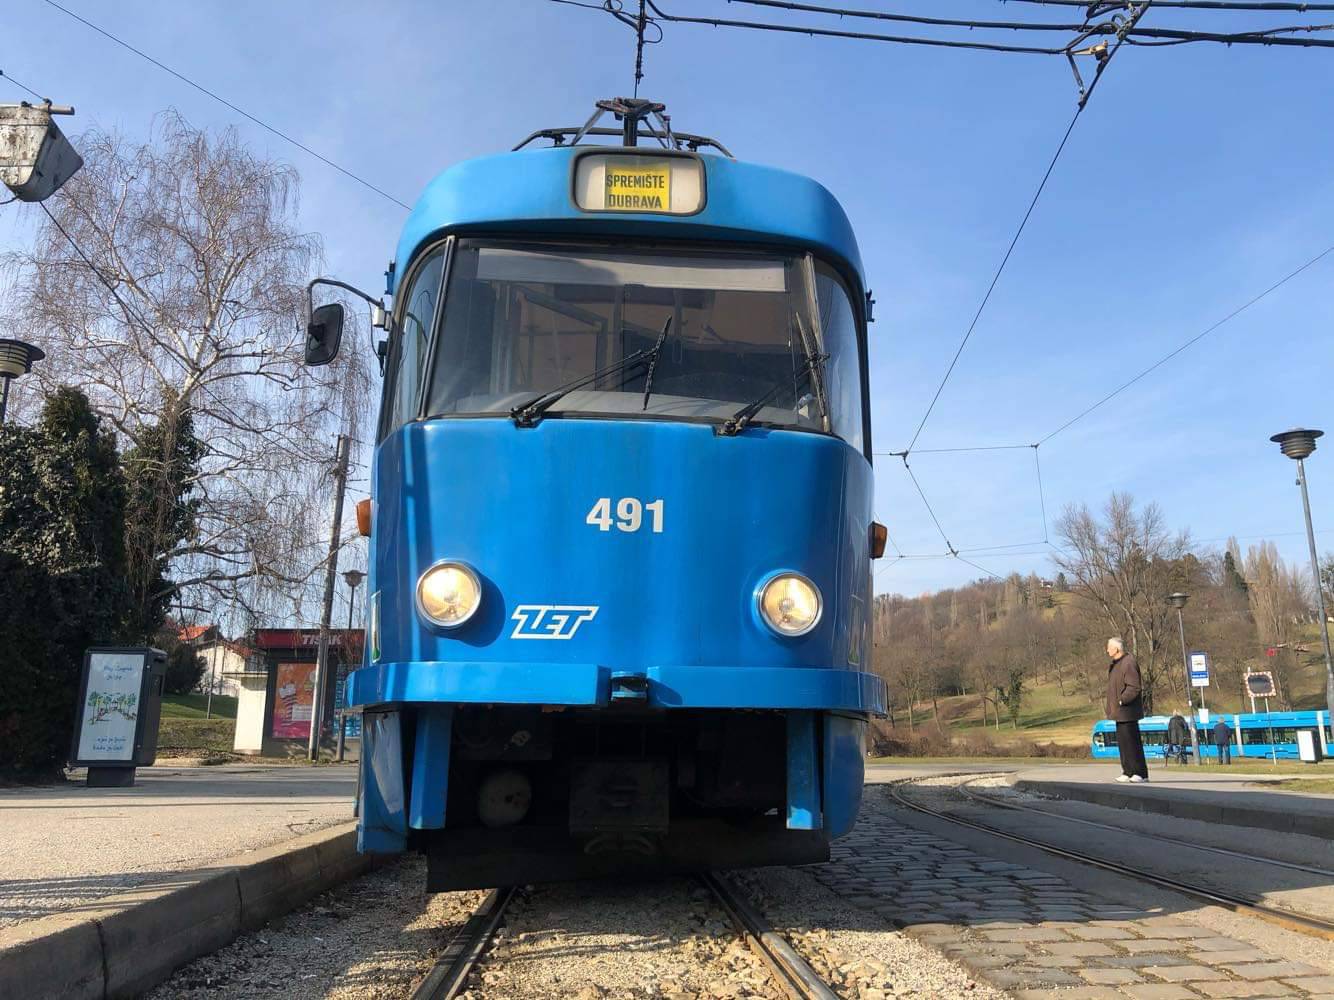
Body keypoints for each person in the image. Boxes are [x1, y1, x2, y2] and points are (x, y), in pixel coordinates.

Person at [1106, 637, 1149, 783]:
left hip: (1128, 711)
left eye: (1109, 647)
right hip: (1119, 713)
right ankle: (1128, 771)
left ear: (1117, 649)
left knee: (1132, 743)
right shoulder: (1115, 664)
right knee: (1123, 744)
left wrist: (1121, 700)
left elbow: (1134, 687)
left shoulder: (1128, 662)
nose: (1107, 650)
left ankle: (1140, 773)